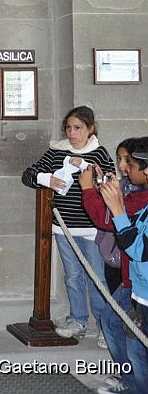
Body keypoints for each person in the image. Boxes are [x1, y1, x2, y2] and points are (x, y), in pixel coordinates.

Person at [22, 106, 115, 340]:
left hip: (92, 229)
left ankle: (106, 327)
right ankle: (78, 320)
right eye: (68, 128)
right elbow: (28, 175)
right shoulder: (56, 151)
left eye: (78, 128)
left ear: (90, 129)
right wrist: (45, 179)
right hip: (63, 227)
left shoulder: (99, 153)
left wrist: (87, 168)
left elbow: (111, 181)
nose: (72, 133)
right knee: (72, 275)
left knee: (97, 277)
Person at [82, 137, 148, 393]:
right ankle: (132, 383)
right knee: (130, 341)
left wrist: (113, 206)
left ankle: (133, 384)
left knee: (137, 349)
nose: (124, 168)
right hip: (138, 289)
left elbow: (137, 248)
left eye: (129, 163)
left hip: (139, 289)